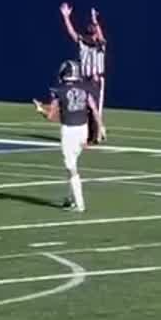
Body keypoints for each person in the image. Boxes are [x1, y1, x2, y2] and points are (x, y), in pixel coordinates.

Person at [33, 59, 100, 213]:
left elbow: (51, 116)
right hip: (83, 130)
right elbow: (94, 109)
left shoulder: (59, 90)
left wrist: (40, 110)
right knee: (72, 165)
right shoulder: (85, 88)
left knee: (71, 169)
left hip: (69, 131)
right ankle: (70, 199)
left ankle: (80, 204)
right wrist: (101, 127)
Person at [61, 2, 109, 143]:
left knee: (95, 108)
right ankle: (90, 134)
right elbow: (72, 33)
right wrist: (66, 18)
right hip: (85, 79)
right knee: (86, 107)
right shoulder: (84, 42)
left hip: (96, 80)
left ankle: (98, 133)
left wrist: (95, 21)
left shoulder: (100, 45)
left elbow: (100, 36)